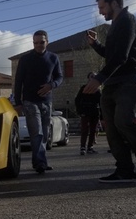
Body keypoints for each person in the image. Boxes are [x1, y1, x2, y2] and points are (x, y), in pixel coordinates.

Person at [83, 0, 136, 183]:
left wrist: (99, 78)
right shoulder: (115, 25)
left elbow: (122, 56)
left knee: (123, 121)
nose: (100, 12)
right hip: (112, 82)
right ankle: (124, 169)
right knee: (111, 127)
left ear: (114, 3)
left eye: (102, 7)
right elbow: (111, 55)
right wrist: (96, 45)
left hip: (128, 81)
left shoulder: (128, 21)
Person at [13, 30, 63, 174]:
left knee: (45, 134)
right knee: (37, 132)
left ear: (47, 41)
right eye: (35, 43)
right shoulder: (25, 59)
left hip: (47, 102)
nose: (38, 45)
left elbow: (60, 77)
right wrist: (18, 102)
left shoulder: (53, 58)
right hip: (30, 102)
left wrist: (51, 85)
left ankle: (39, 161)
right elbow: (18, 82)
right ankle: (40, 163)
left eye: (41, 42)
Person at [75, 72, 102, 155]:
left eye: (95, 76)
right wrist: (79, 111)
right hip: (85, 111)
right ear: (88, 78)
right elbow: (77, 100)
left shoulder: (97, 90)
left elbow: (101, 102)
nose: (93, 78)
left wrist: (102, 114)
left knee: (93, 130)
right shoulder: (84, 88)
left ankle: (90, 147)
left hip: (94, 111)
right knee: (84, 130)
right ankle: (82, 147)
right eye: (91, 76)